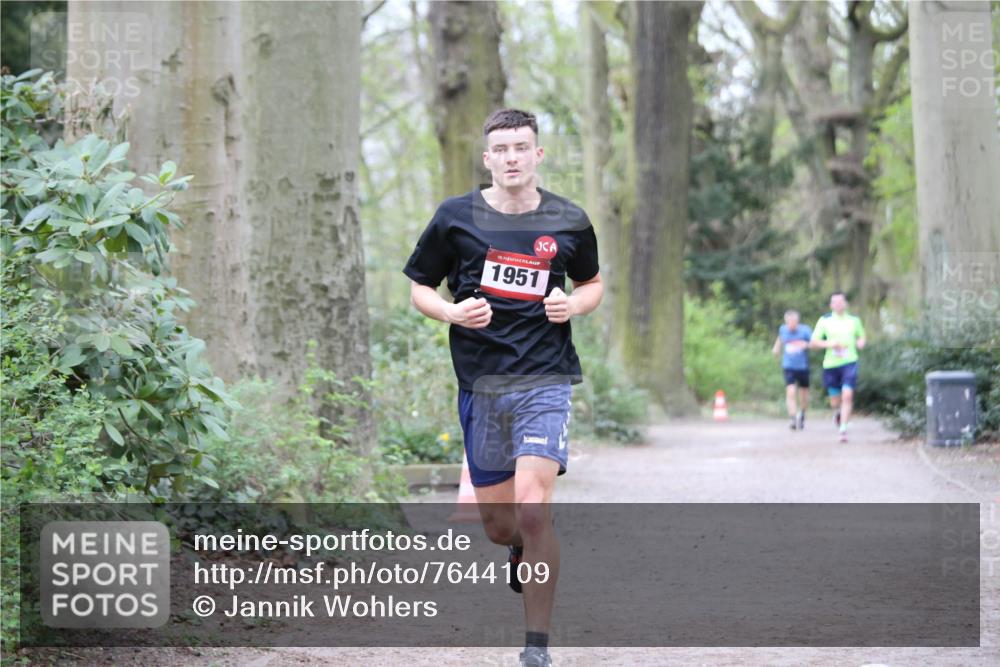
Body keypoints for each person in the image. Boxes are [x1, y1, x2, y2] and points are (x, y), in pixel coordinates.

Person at [402, 108, 603, 667]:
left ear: (538, 154)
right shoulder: (455, 218)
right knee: (500, 525)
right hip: (482, 384)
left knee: (535, 508)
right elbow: (419, 286)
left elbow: (591, 282)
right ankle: (517, 546)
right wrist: (450, 312)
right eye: (502, 149)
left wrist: (574, 305)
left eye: (522, 147)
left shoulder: (568, 219)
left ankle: (536, 645)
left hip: (545, 378)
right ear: (488, 158)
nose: (512, 157)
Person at [810, 292, 866, 443]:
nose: (839, 304)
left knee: (847, 395)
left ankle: (843, 429)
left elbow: (861, 336)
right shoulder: (824, 320)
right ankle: (838, 413)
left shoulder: (854, 321)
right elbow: (814, 343)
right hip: (831, 364)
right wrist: (830, 344)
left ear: (845, 303)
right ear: (831, 305)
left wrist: (861, 342)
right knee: (835, 401)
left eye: (841, 301)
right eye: (835, 302)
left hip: (849, 362)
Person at [771, 309, 812, 430]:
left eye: (793, 321)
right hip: (789, 366)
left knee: (804, 395)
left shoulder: (805, 330)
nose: (791, 324)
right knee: (791, 391)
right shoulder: (783, 329)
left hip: (803, 367)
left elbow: (815, 343)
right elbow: (780, 339)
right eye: (788, 322)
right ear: (786, 321)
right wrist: (776, 348)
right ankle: (793, 418)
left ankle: (802, 414)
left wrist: (806, 344)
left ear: (797, 321)